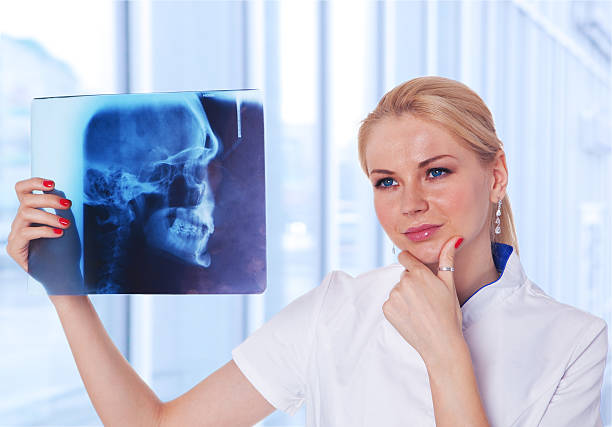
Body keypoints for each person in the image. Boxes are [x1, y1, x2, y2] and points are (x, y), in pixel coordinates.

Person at [6, 76, 608, 426]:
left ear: (496, 174)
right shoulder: (336, 309)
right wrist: (65, 288)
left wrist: (445, 351)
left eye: (438, 171)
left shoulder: (574, 342)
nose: (411, 204)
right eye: (387, 182)